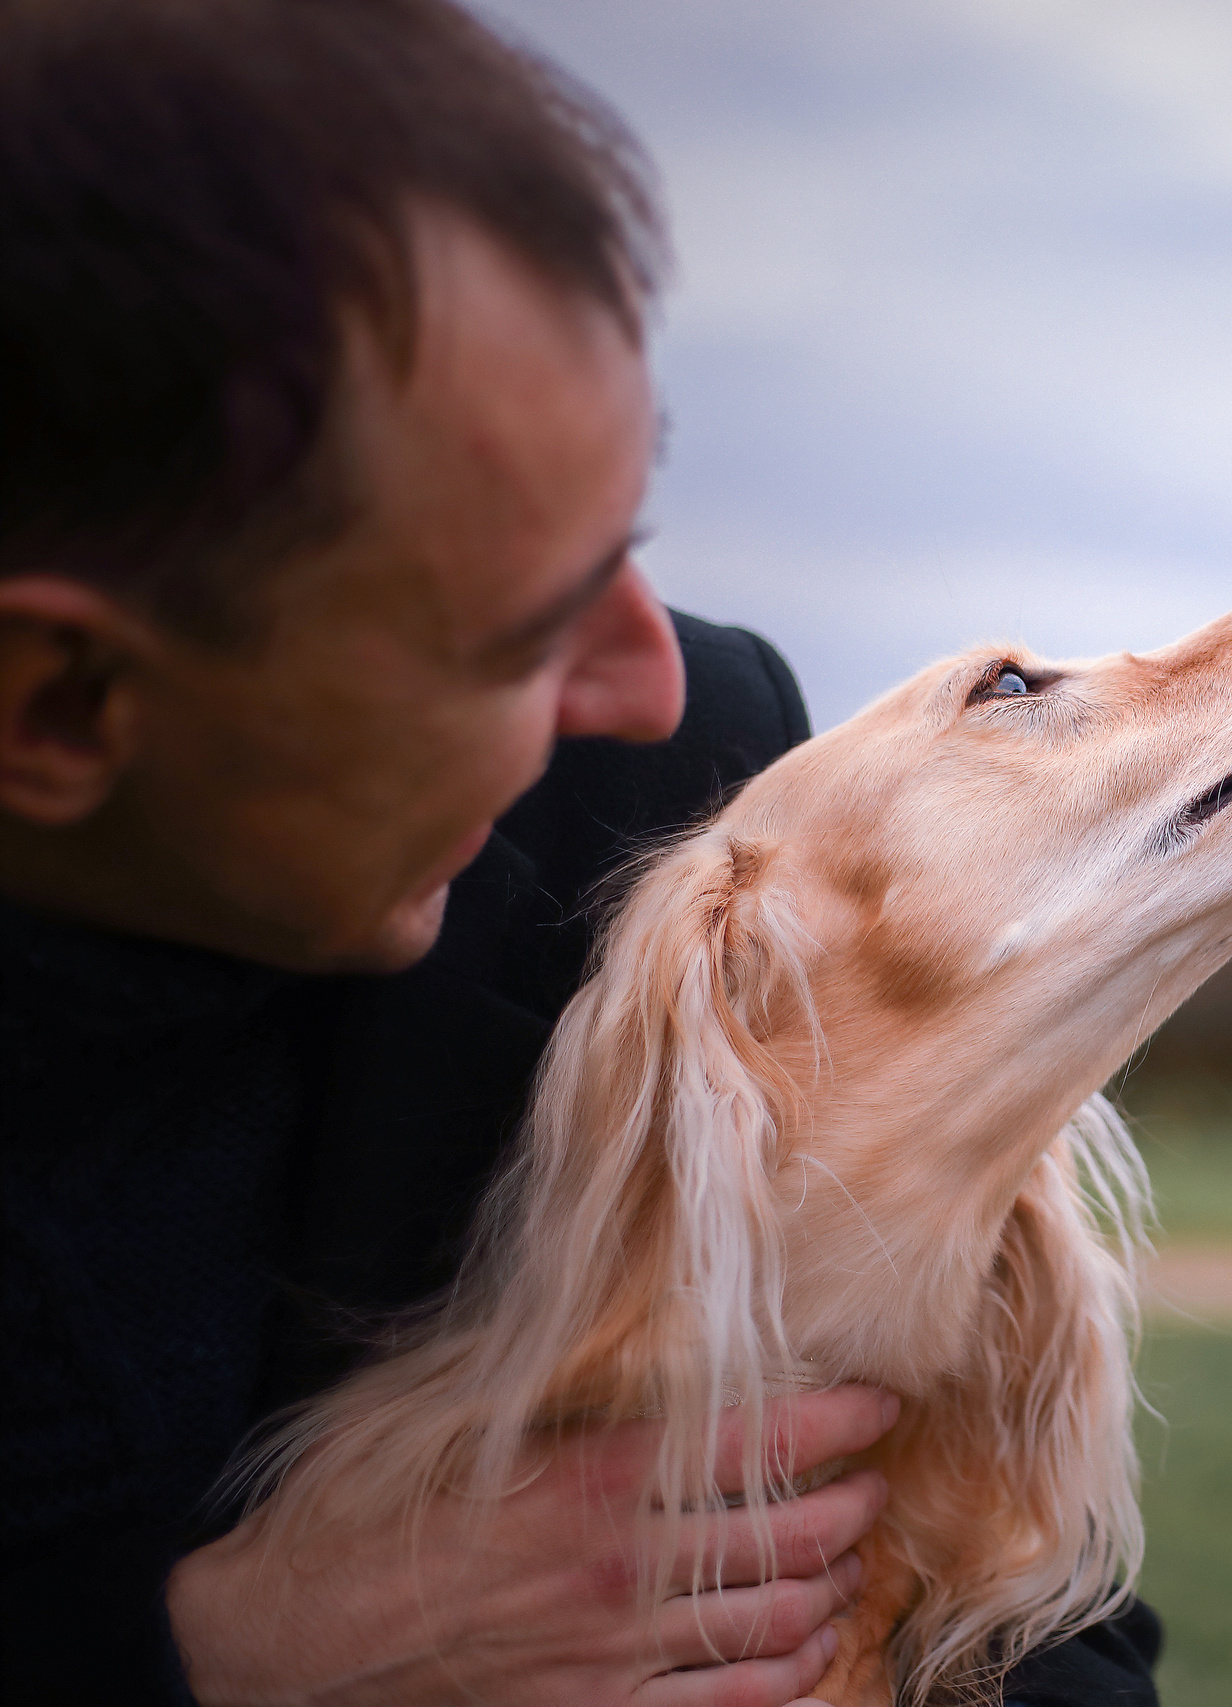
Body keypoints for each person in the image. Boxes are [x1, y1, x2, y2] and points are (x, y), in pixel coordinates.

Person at [0, 2, 1158, 1702]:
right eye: (519, 633)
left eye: (631, 540)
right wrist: (233, 1653)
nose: (654, 677)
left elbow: (1039, 1626)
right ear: (64, 708)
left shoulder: (662, 793)